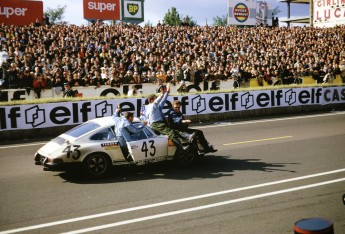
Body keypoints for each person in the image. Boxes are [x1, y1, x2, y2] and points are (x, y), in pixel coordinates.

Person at [145, 83, 194, 153]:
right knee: (171, 133)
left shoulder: (153, 107)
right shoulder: (153, 106)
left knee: (172, 129)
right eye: (155, 98)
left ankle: (186, 137)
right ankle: (181, 148)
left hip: (157, 123)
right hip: (157, 124)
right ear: (151, 100)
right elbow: (160, 99)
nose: (156, 99)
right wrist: (163, 92)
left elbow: (163, 100)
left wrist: (167, 92)